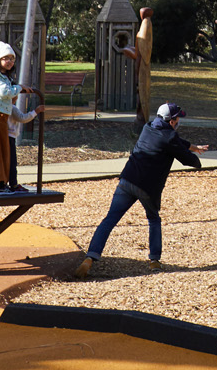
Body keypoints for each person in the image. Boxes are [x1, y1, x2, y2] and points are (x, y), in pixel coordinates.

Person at [72, 101, 202, 278]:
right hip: (147, 188)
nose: (179, 121)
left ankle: (90, 258)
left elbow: (174, 140)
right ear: (171, 121)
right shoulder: (170, 138)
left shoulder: (148, 127)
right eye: (178, 118)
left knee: (109, 220)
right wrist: (197, 159)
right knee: (153, 219)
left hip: (127, 180)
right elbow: (188, 160)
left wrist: (192, 146)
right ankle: (154, 261)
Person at [0, 40, 36, 193]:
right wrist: (19, 88)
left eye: (12, 59)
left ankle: (0, 182)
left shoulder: (5, 78)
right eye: (6, 58)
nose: (10, 62)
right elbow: (4, 92)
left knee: (2, 151)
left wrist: (15, 88)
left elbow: (8, 92)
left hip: (2, 118)